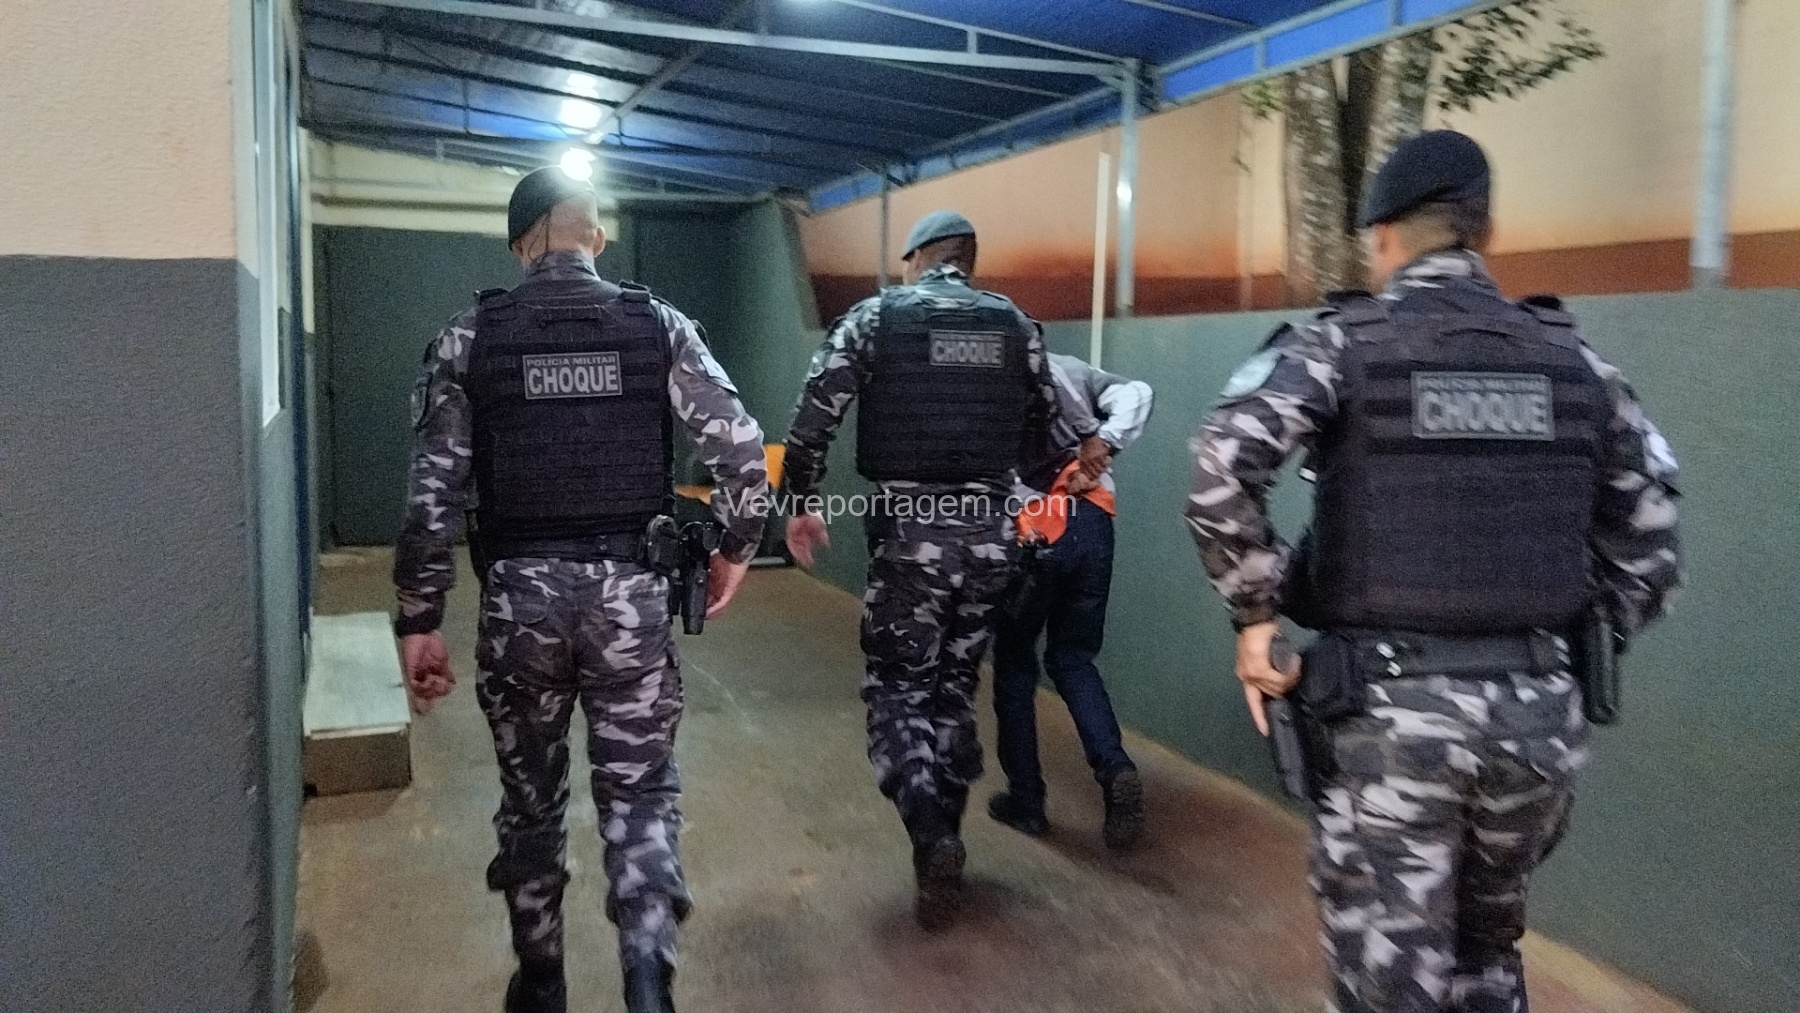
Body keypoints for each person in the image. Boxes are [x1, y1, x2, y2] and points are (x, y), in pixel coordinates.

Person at [1184, 130, 1681, 1013]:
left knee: (1391, 980)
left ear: (1382, 236)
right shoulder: (1574, 361)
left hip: (1390, 723)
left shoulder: (1342, 346)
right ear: (1487, 230)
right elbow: (1653, 529)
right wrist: (1575, 639)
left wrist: (1256, 619)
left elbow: (1222, 467)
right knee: (1486, 950)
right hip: (1538, 727)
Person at [392, 165, 769, 1013]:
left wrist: (419, 616)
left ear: (520, 243)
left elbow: (431, 494)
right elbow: (744, 456)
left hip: (519, 605)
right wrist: (736, 550)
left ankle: (541, 982)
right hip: (631, 602)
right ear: (595, 238)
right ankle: (648, 983)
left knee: (531, 801)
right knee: (641, 795)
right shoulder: (657, 325)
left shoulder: (470, 337)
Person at [781, 210, 1091, 930]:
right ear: (969, 261)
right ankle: (945, 849)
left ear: (918, 256)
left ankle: (929, 833)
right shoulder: (1017, 326)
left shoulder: (877, 318)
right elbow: (1051, 433)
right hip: (991, 541)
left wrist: (800, 502)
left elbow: (815, 413)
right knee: (955, 688)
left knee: (898, 688)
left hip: (910, 539)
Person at [988, 355, 1154, 849]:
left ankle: (1027, 802)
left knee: (1015, 666)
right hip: (1093, 524)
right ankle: (1115, 768)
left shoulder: (991, 376)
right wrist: (1106, 443)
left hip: (1033, 534)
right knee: (1074, 659)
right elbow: (1137, 391)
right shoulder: (1071, 369)